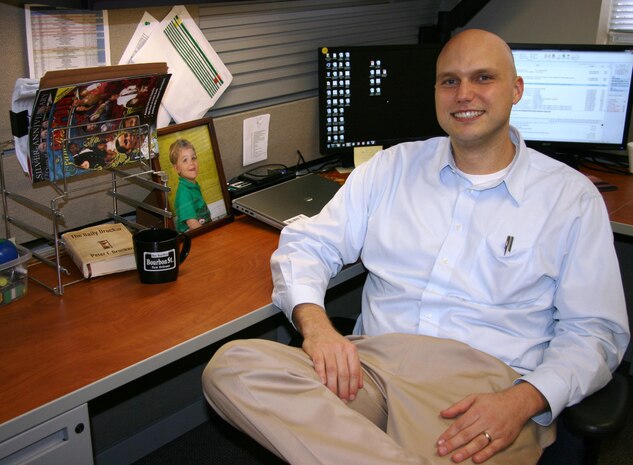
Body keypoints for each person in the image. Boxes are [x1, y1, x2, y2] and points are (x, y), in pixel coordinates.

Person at [202, 29, 630, 464]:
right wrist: (319, 329)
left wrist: (523, 401)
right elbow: (308, 242)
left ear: (516, 89)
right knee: (233, 368)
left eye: (484, 78)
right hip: (368, 369)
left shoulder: (569, 198)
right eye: (449, 81)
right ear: (435, 92)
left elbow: (596, 332)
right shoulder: (392, 167)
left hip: (483, 394)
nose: (464, 94)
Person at [169, 138, 212, 233]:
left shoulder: (193, 185)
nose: (191, 163)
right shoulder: (183, 193)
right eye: (185, 160)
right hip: (195, 237)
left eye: (193, 158)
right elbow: (192, 223)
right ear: (177, 168)